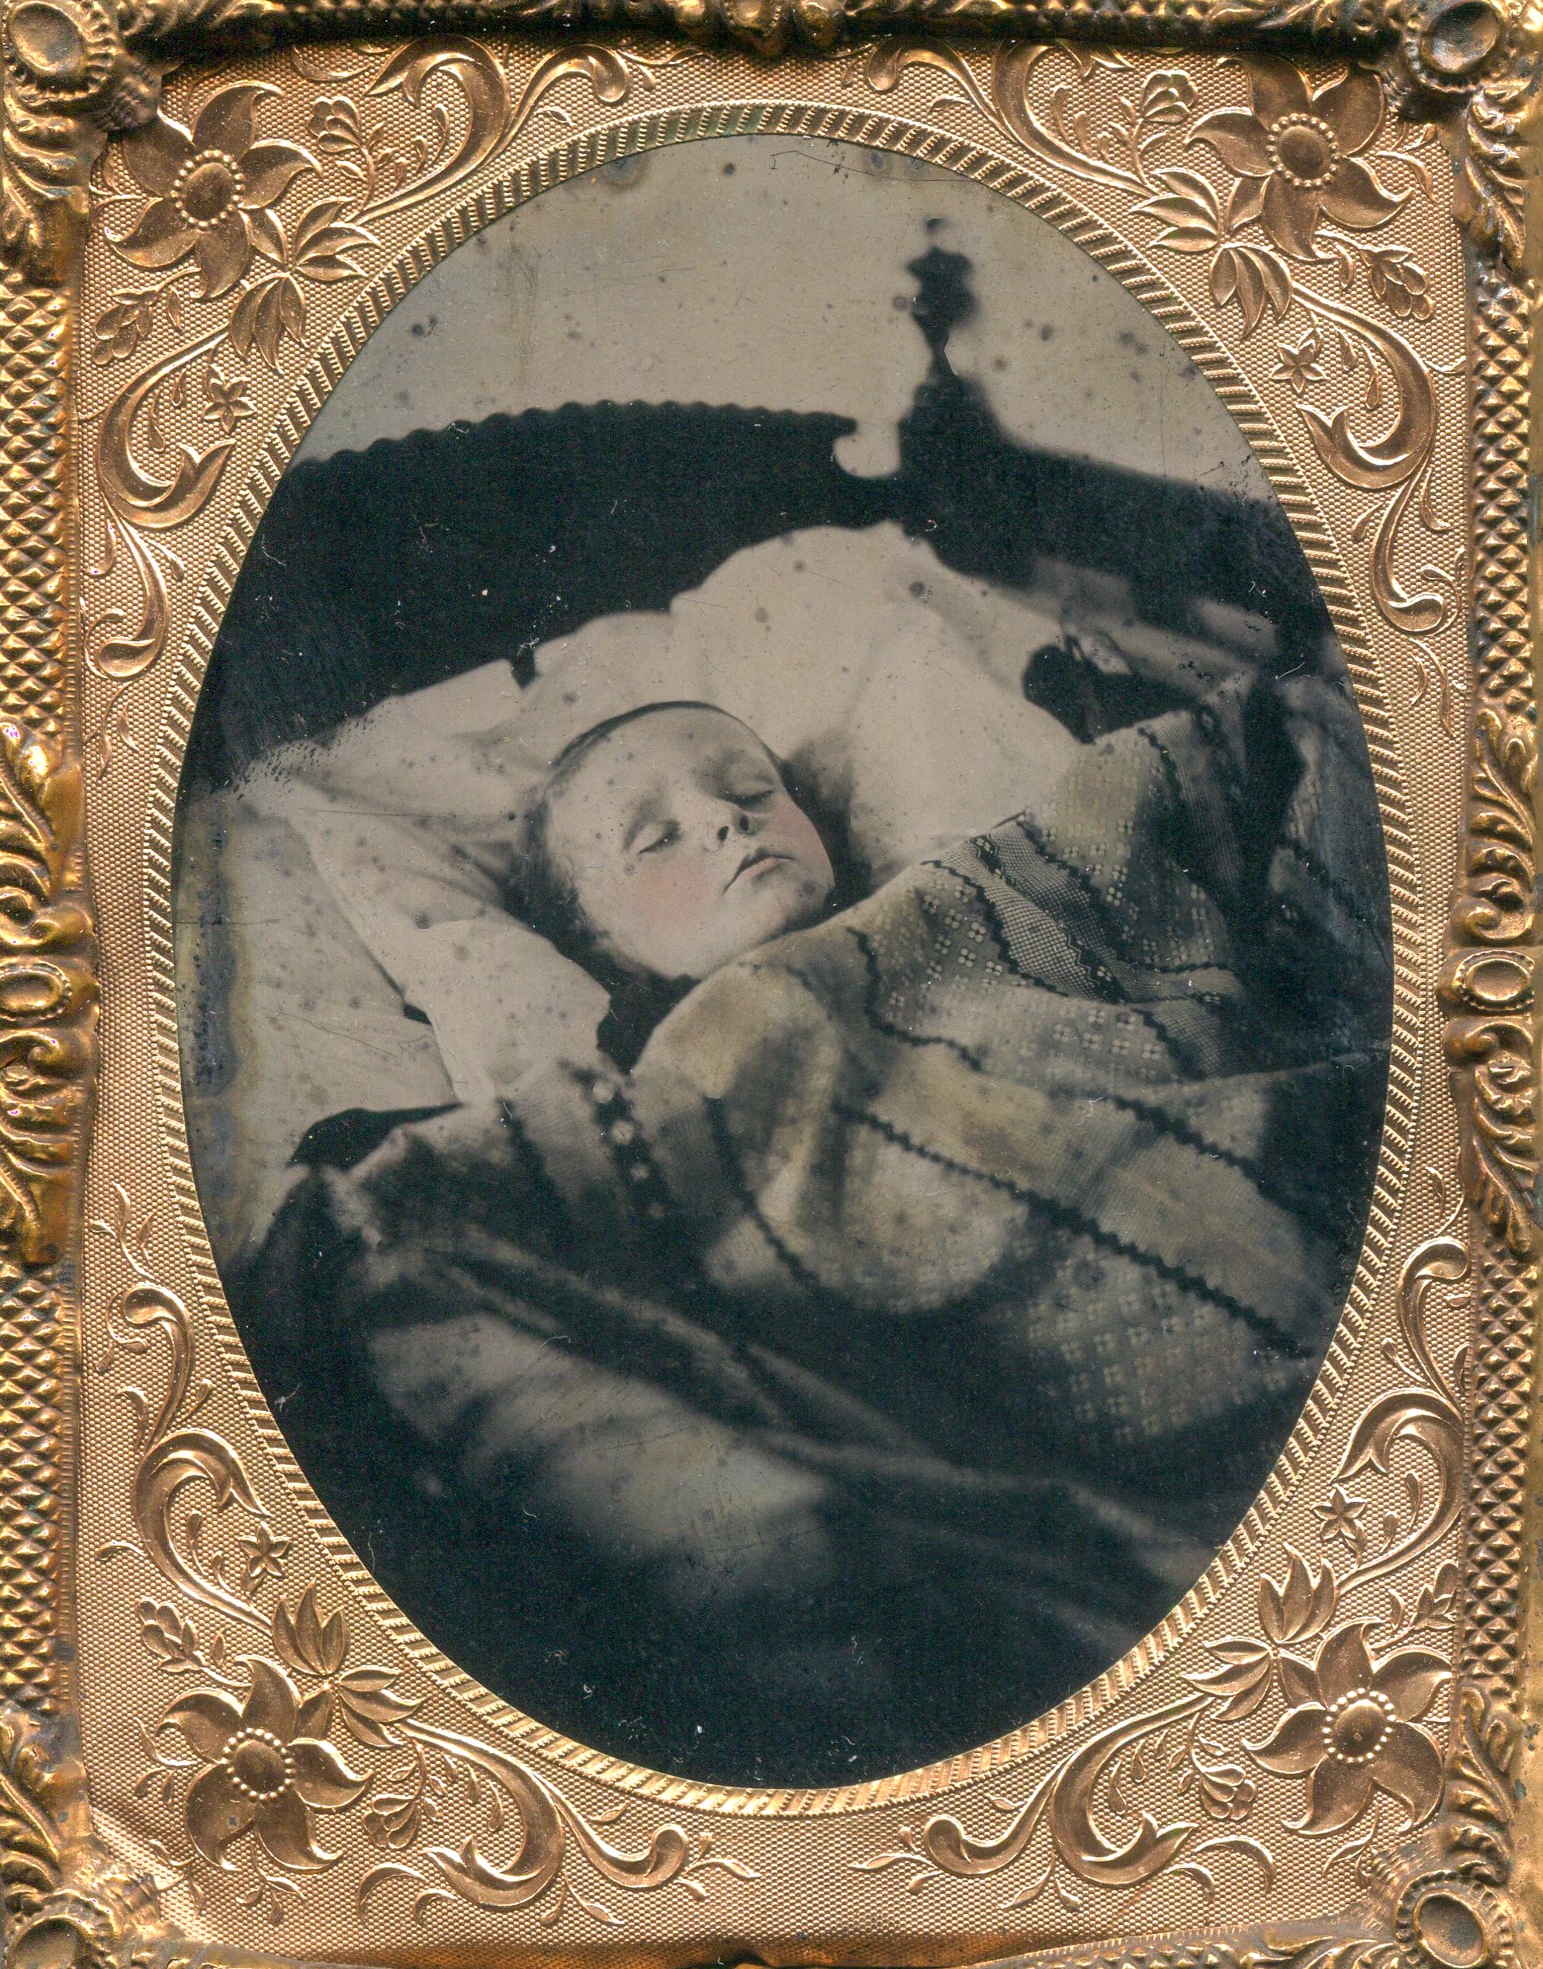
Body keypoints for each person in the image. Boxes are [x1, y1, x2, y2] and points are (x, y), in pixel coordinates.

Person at [235, 663, 1390, 1787]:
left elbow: (1234, 764)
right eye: (655, 839)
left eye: (749, 791)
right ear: (596, 943)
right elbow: (427, 1224)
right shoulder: (653, 1093)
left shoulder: (977, 891)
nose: (724, 824)